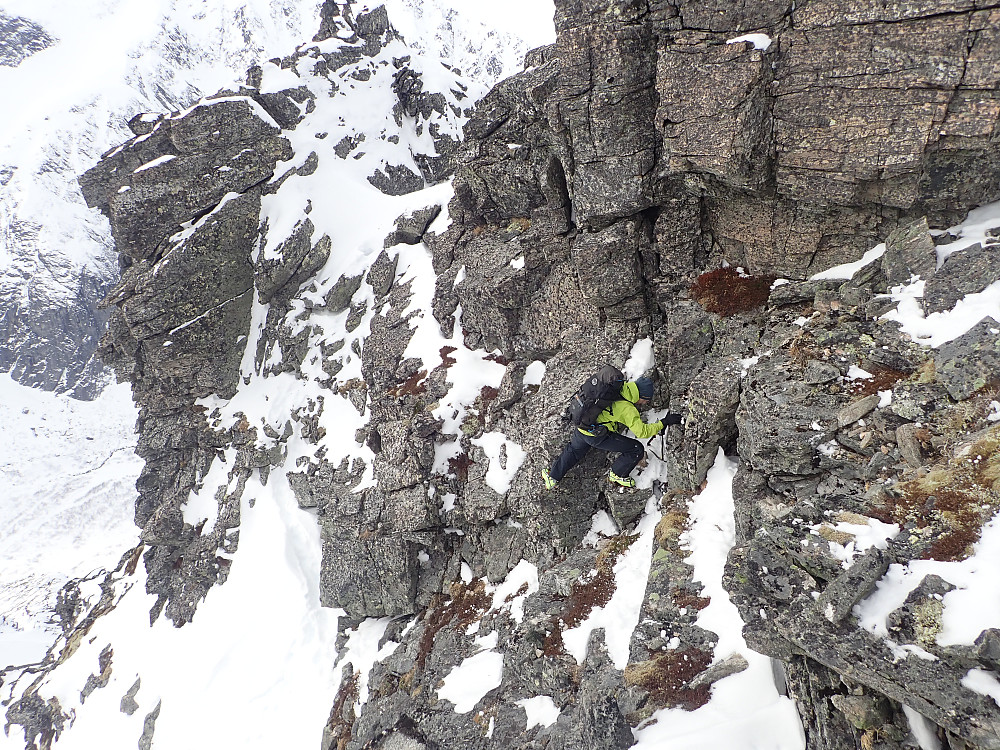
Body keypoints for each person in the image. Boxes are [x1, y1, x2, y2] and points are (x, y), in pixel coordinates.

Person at [542, 376, 682, 489]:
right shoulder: (627, 408)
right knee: (636, 449)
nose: (645, 403)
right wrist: (664, 422)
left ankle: (552, 477)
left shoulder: (618, 387)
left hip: (582, 425)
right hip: (596, 435)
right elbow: (642, 432)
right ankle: (617, 474)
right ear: (642, 396)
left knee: (573, 451)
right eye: (645, 400)